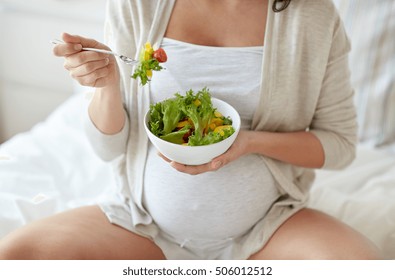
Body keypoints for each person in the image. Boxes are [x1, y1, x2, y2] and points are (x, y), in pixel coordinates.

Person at [0, 0, 381, 259]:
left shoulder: (312, 16)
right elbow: (107, 148)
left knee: (364, 267)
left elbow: (339, 144)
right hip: (141, 223)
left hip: (268, 228)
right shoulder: (139, 5)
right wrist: (108, 85)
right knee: (15, 255)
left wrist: (248, 143)